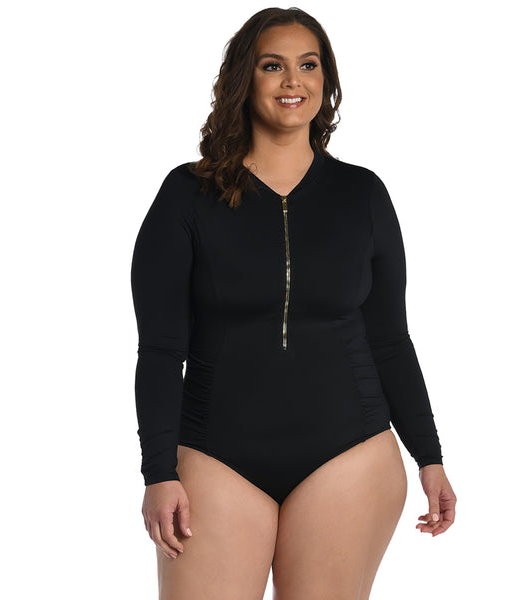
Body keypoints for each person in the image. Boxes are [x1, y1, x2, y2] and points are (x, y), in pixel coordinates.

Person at [130, 7, 457, 599]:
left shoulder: (362, 194)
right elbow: (159, 349)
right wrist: (159, 471)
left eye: (308, 65)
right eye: (272, 66)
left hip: (350, 455)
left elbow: (389, 339)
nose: (292, 81)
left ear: (325, 81)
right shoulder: (187, 194)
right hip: (215, 456)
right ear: (244, 78)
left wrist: (429, 456)